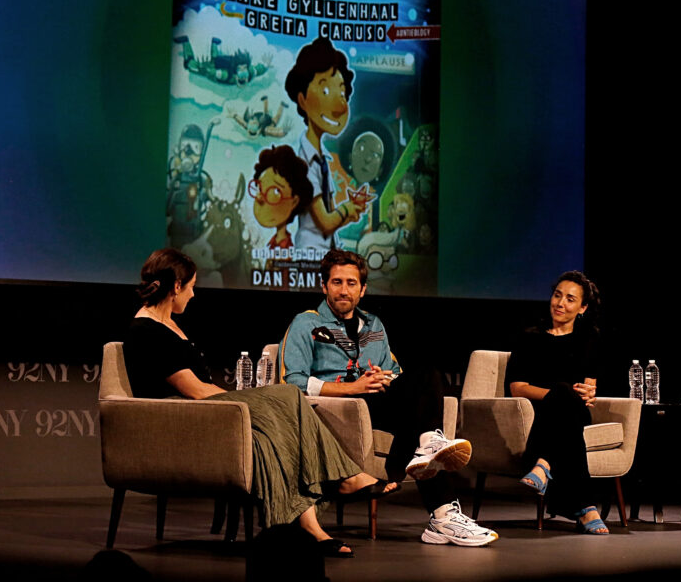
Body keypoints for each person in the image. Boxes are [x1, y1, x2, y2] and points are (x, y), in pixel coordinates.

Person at [122, 248, 395, 558]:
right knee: (289, 394)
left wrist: (244, 404)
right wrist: (243, 403)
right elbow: (195, 391)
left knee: (271, 439)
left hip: (201, 412)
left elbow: (200, 388)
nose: (194, 294)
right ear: (175, 287)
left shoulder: (167, 324)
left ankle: (310, 529)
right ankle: (344, 478)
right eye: (192, 286)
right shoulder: (146, 331)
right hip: (182, 421)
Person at [280, 249, 498, 547]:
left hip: (379, 403)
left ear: (363, 289)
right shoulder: (306, 323)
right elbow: (294, 381)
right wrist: (353, 388)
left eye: (351, 283)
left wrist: (386, 378)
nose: (344, 290)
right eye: (337, 282)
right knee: (417, 417)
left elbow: (394, 370)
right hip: (340, 409)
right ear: (324, 286)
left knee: (427, 373)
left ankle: (430, 455)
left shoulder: (374, 325)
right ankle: (443, 513)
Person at [505, 271, 611, 534]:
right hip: (539, 411)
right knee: (563, 392)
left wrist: (588, 393)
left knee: (568, 399)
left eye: (570, 299)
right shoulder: (530, 335)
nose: (560, 303)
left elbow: (590, 385)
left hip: (575, 412)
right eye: (557, 295)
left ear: (582, 308)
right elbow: (517, 387)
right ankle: (586, 508)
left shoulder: (590, 338)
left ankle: (542, 463)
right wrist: (557, 395)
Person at [284, 37, 366, 250]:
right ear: (302, 100)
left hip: (325, 254)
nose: (340, 104)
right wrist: (347, 210)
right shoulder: (305, 162)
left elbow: (330, 217)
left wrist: (350, 212)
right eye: (326, 90)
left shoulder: (321, 157)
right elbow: (325, 222)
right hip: (311, 255)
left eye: (342, 92)